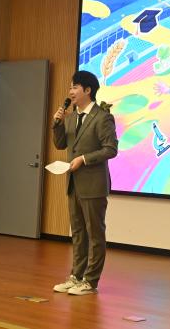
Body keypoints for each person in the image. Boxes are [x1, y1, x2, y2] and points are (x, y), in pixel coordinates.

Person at [52, 70, 118, 295]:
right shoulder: (71, 117)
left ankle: (90, 281)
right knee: (79, 233)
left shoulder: (102, 117)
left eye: (75, 87)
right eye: (70, 87)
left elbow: (111, 149)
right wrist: (57, 124)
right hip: (74, 184)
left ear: (88, 90)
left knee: (95, 234)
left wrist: (84, 159)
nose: (70, 92)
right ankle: (76, 276)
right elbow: (61, 144)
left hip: (93, 185)